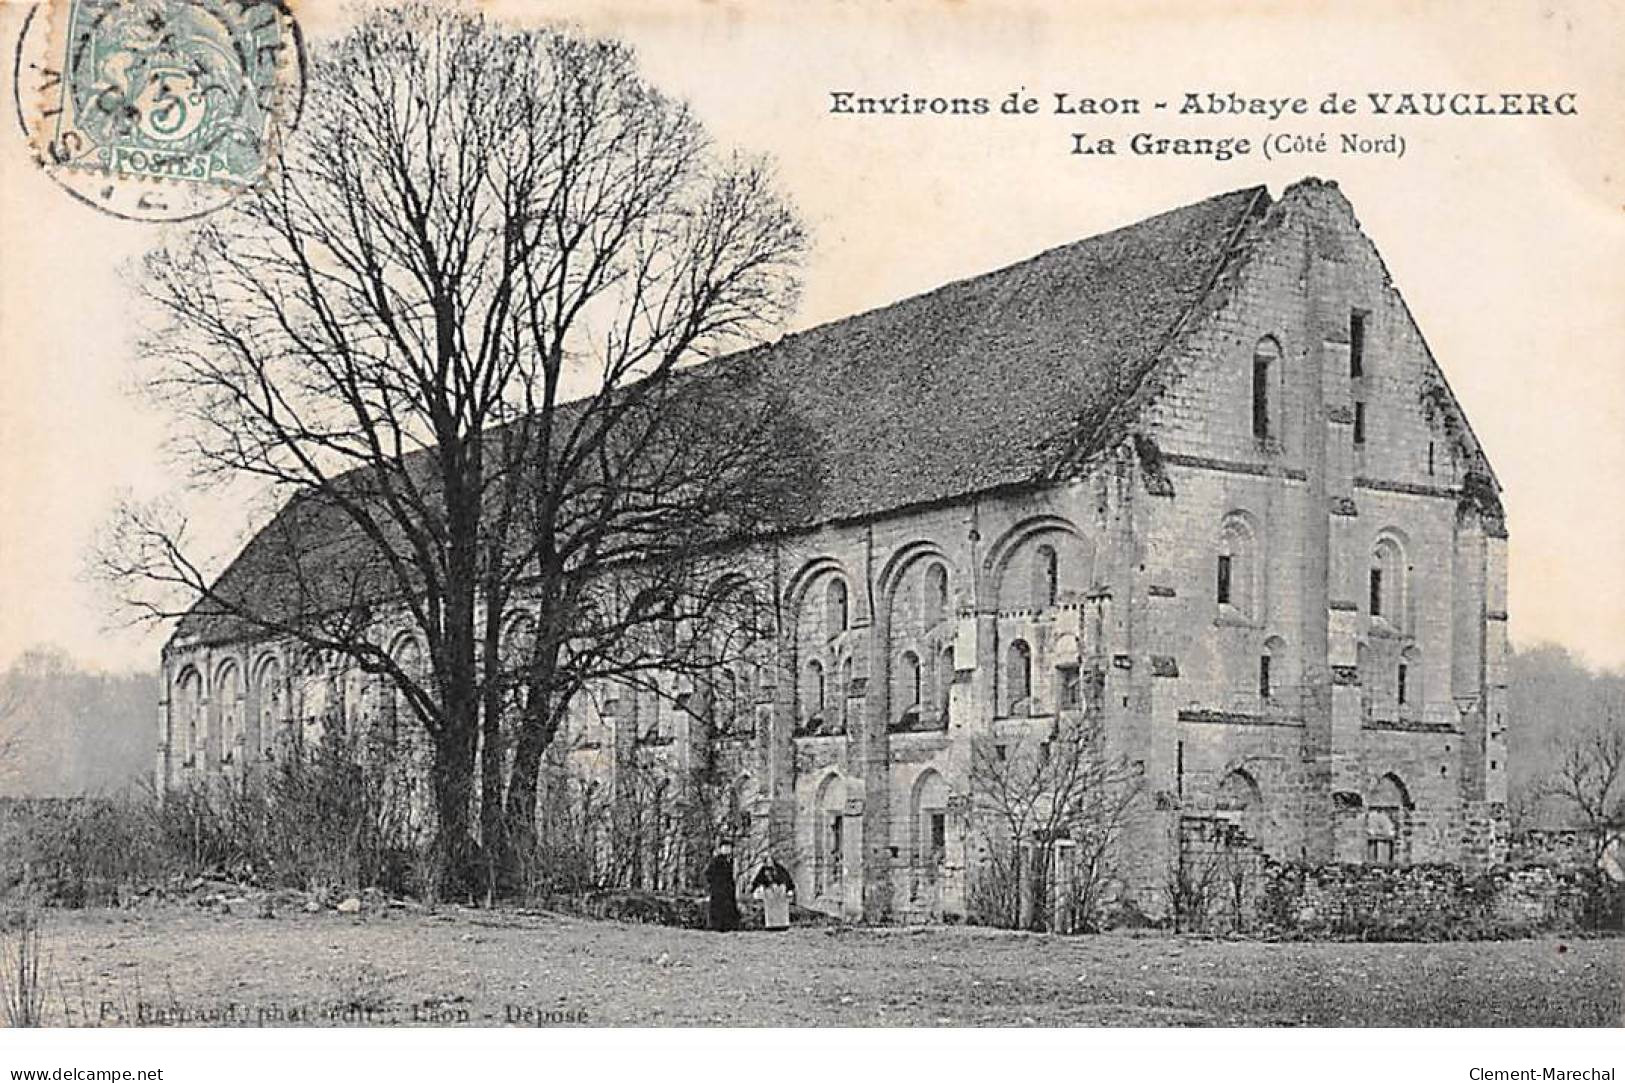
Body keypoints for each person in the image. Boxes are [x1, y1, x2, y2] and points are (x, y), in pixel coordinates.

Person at [750, 855, 795, 932]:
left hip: (780, 894)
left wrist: (789, 889)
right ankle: (771, 926)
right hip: (769, 894)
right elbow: (757, 881)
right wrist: (756, 889)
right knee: (771, 911)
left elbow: (787, 879)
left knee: (781, 911)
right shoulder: (762, 871)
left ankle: (783, 925)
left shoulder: (780, 869)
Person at [703, 841, 741, 932]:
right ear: (721, 849)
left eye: (729, 848)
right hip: (719, 890)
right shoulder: (716, 861)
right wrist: (715, 884)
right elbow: (708, 874)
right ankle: (717, 926)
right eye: (725, 847)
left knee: (728, 908)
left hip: (728, 890)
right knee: (718, 908)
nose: (727, 850)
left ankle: (729, 926)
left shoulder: (731, 860)